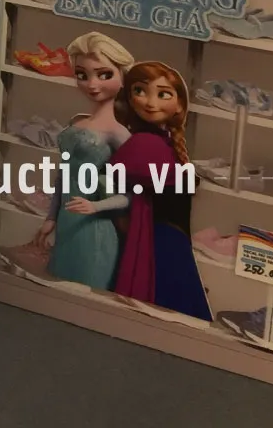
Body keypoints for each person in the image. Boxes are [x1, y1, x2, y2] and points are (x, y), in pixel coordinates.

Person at [80, 61, 213, 321]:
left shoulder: (149, 143)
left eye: (163, 94)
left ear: (179, 104)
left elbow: (111, 177)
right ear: (130, 98)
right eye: (140, 91)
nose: (151, 103)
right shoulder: (150, 143)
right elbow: (112, 179)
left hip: (161, 236)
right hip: (163, 235)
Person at [31, 31, 133, 290]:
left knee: (87, 291)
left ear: (122, 77)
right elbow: (63, 176)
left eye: (104, 75)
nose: (92, 84)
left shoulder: (119, 133)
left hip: (95, 227)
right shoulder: (76, 122)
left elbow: (131, 194)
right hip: (67, 224)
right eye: (82, 75)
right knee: (60, 288)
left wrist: (95, 206)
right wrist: (51, 218)